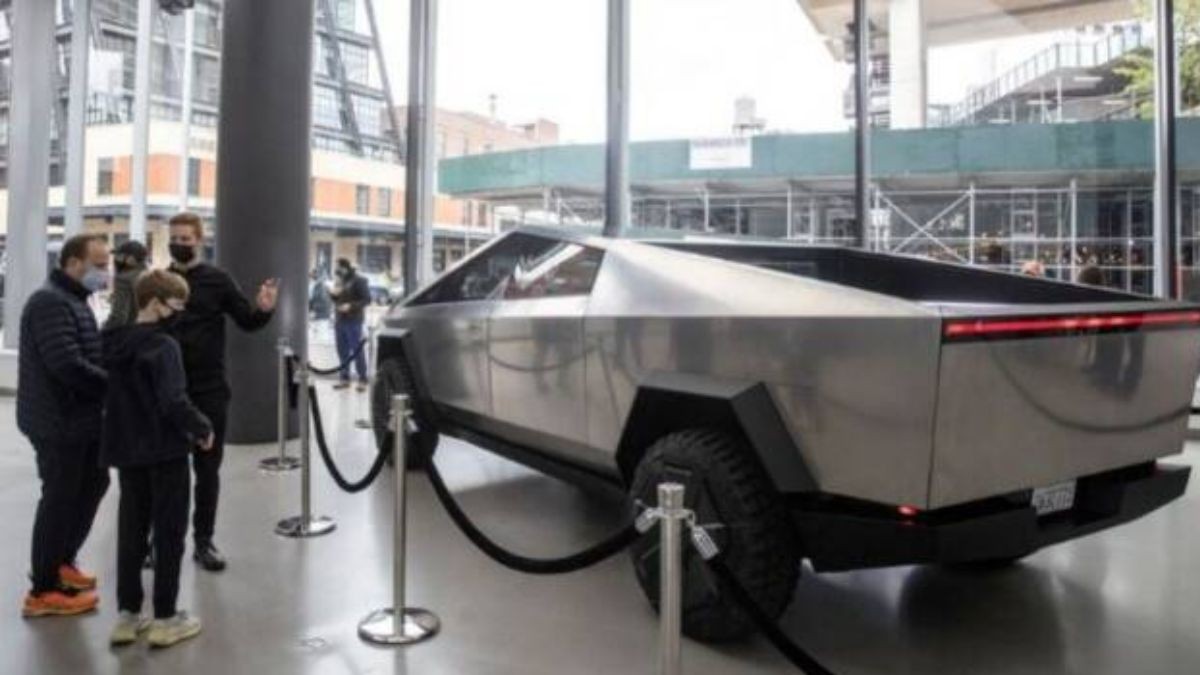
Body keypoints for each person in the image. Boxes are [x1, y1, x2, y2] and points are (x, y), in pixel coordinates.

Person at [102, 270, 214, 648]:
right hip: (165, 451)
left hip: (126, 450)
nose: (180, 312)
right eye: (176, 304)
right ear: (155, 303)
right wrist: (202, 428)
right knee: (169, 532)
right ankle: (165, 617)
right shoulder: (164, 346)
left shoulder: (113, 341)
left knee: (131, 530)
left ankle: (127, 615)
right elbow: (173, 400)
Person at [166, 212, 278, 571]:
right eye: (174, 239)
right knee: (166, 472)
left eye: (185, 239)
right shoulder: (160, 282)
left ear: (199, 241)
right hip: (168, 391)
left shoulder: (218, 280)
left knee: (207, 471)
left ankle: (204, 541)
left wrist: (264, 309)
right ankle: (161, 541)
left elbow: (247, 320)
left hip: (209, 390)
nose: (179, 244)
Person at [18, 235, 112, 617]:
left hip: (80, 419)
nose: (105, 272)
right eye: (99, 264)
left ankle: (61, 561)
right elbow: (67, 364)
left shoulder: (74, 299)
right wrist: (115, 385)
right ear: (74, 263)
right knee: (59, 497)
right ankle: (42, 590)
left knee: (94, 483)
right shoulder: (50, 303)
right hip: (57, 421)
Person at [329, 258, 371, 391]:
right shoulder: (340, 281)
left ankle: (362, 379)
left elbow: (367, 299)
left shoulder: (359, 280)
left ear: (345, 267)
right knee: (342, 351)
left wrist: (351, 306)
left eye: (338, 267)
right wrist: (332, 294)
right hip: (340, 320)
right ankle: (344, 378)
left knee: (357, 350)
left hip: (353, 321)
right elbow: (336, 299)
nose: (336, 270)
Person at [104, 240, 150, 330]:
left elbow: (119, 316)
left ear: (131, 259)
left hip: (130, 331)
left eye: (119, 256)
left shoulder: (123, 279)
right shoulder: (149, 275)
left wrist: (103, 331)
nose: (116, 259)